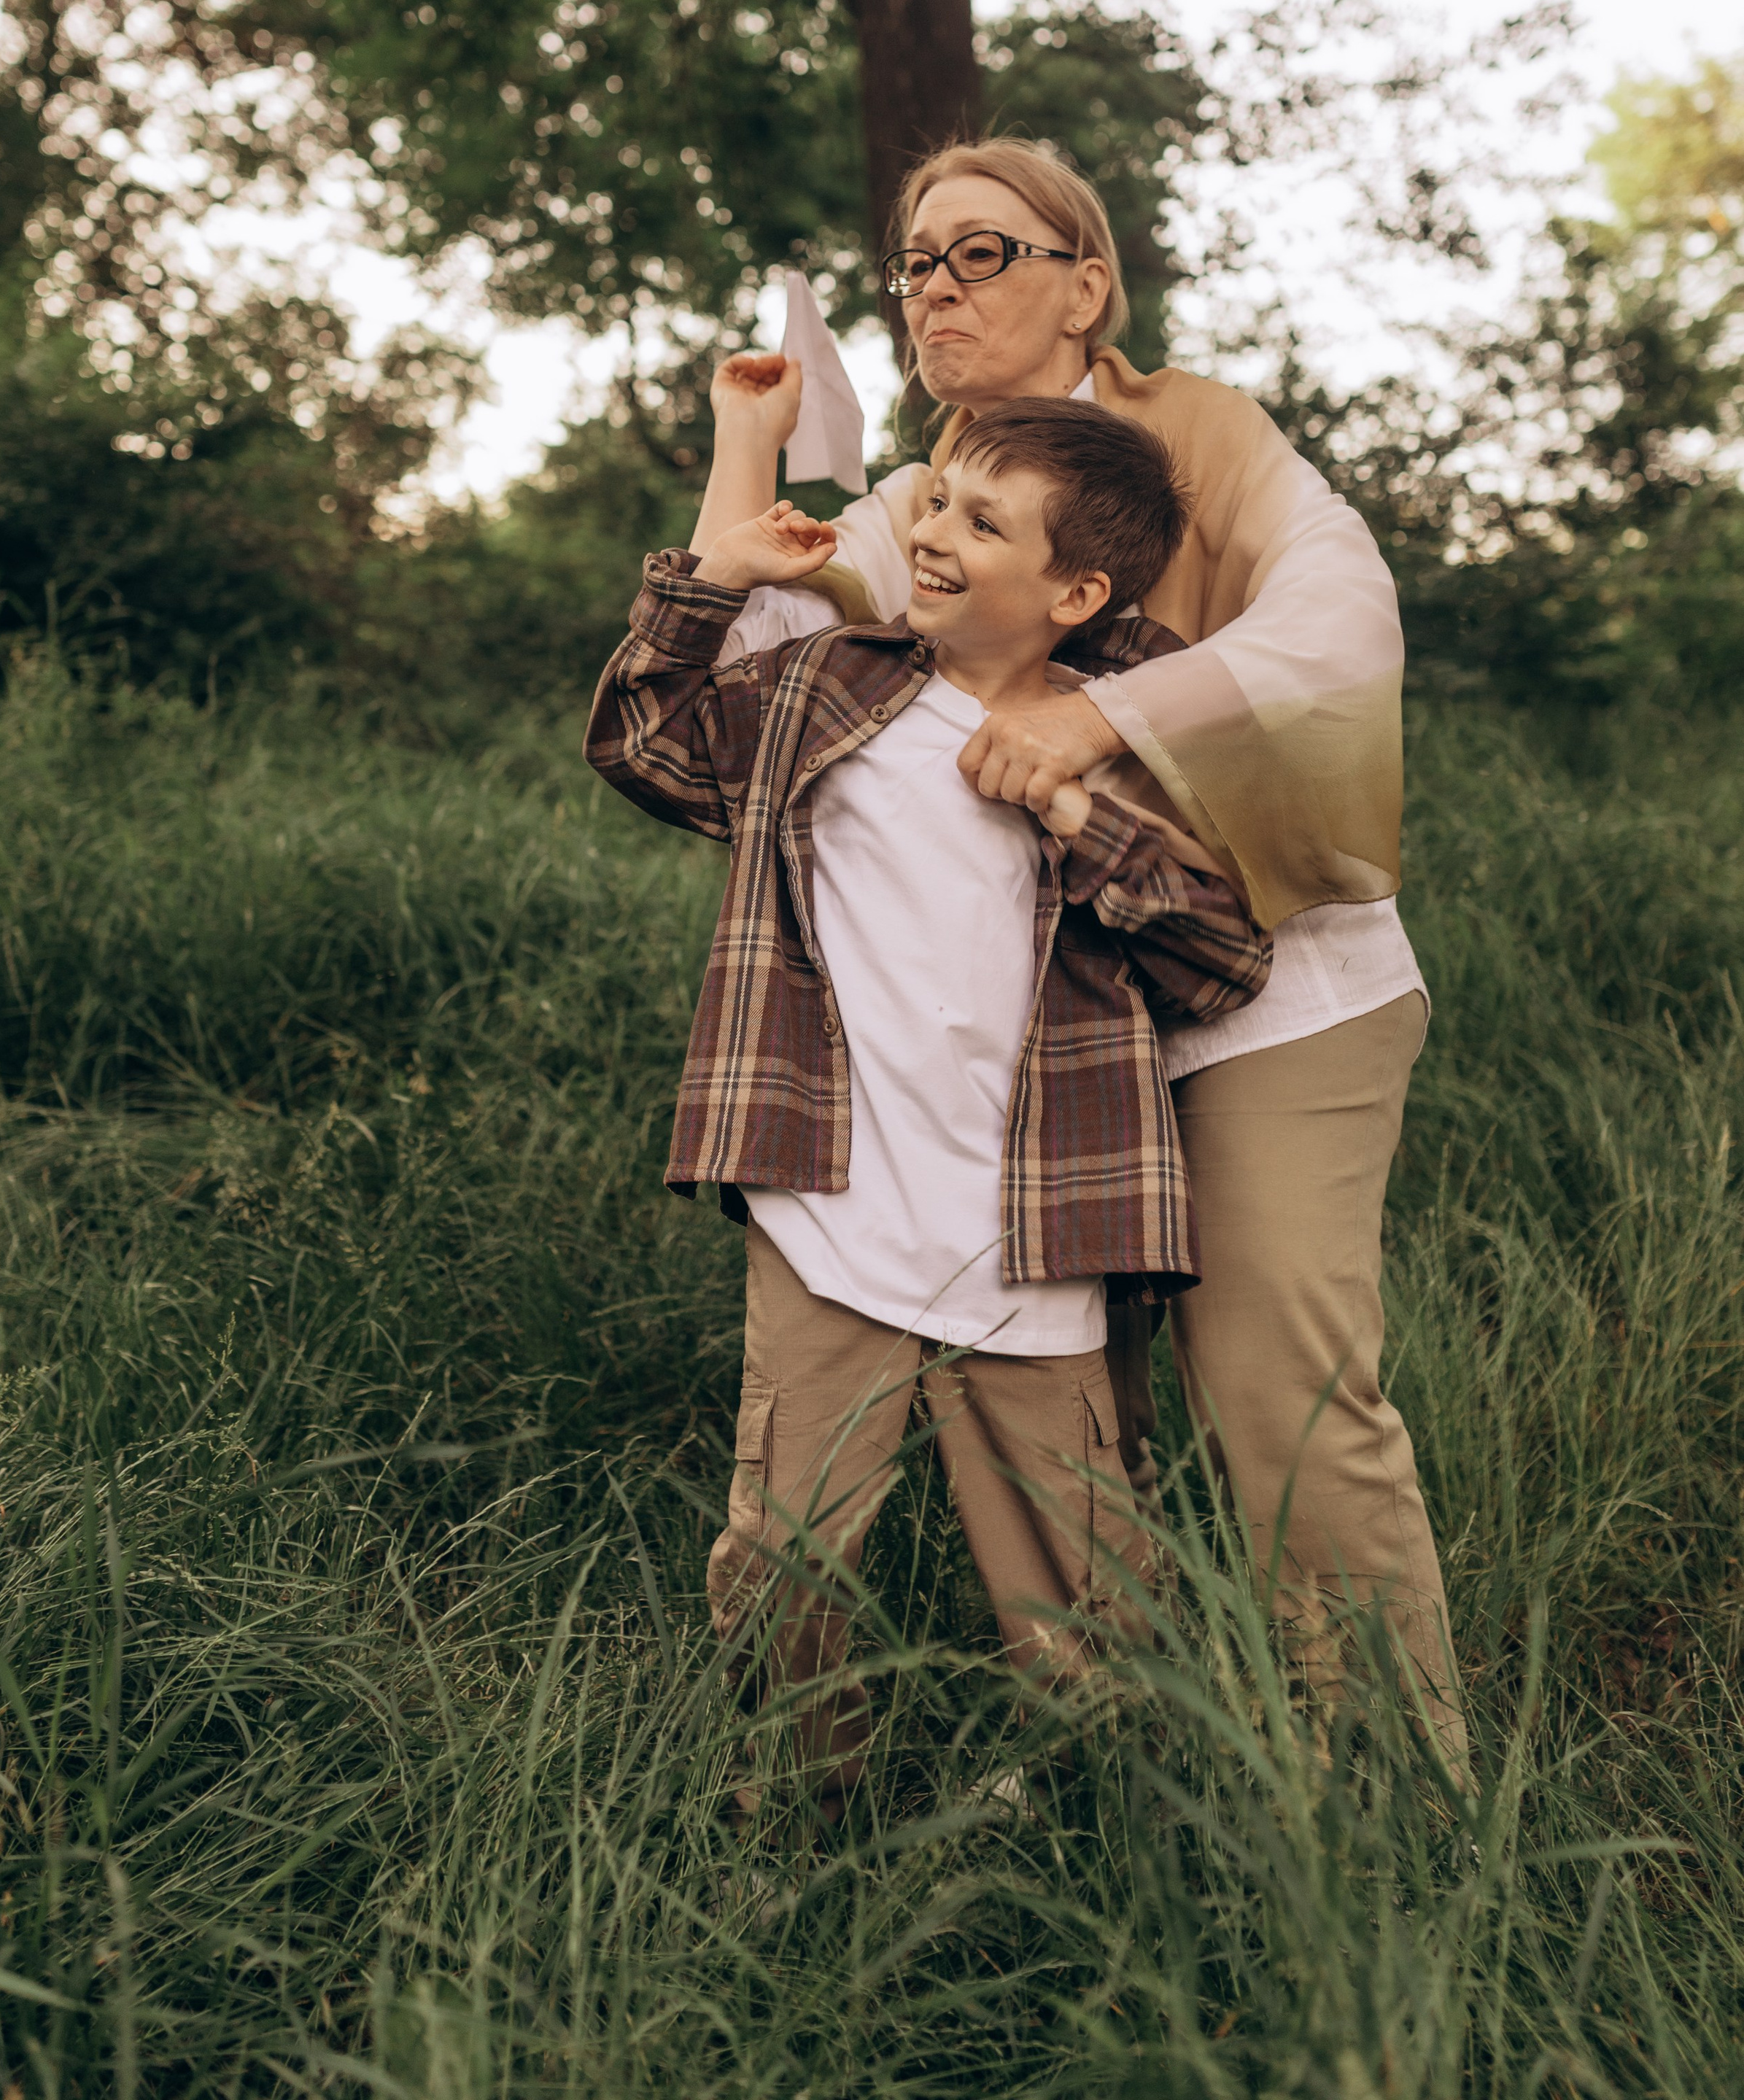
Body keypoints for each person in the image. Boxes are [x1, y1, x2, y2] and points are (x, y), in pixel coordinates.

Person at [689, 137, 1469, 1771]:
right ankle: (1134, 1773)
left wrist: (1088, 712)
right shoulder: (923, 503)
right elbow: (747, 662)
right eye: (914, 262)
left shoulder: (1201, 438)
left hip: (1273, 991)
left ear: (1083, 284)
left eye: (981, 253)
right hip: (1057, 1028)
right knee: (1071, 1420)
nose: (934, 289)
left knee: (1270, 1396)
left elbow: (1341, 628)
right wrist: (748, 452)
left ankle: (1393, 1808)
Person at [585, 400, 1271, 1811]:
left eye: (980, 520)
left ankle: (1122, 1844)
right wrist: (712, 577)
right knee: (788, 1550)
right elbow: (642, 743)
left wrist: (1082, 815)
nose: (934, 532)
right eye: (937, 503)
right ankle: (795, 1816)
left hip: (1037, 1225)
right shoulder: (831, 683)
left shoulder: (1125, 743)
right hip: (831, 1198)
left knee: (1086, 1587)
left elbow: (1225, 957)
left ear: (1075, 593)